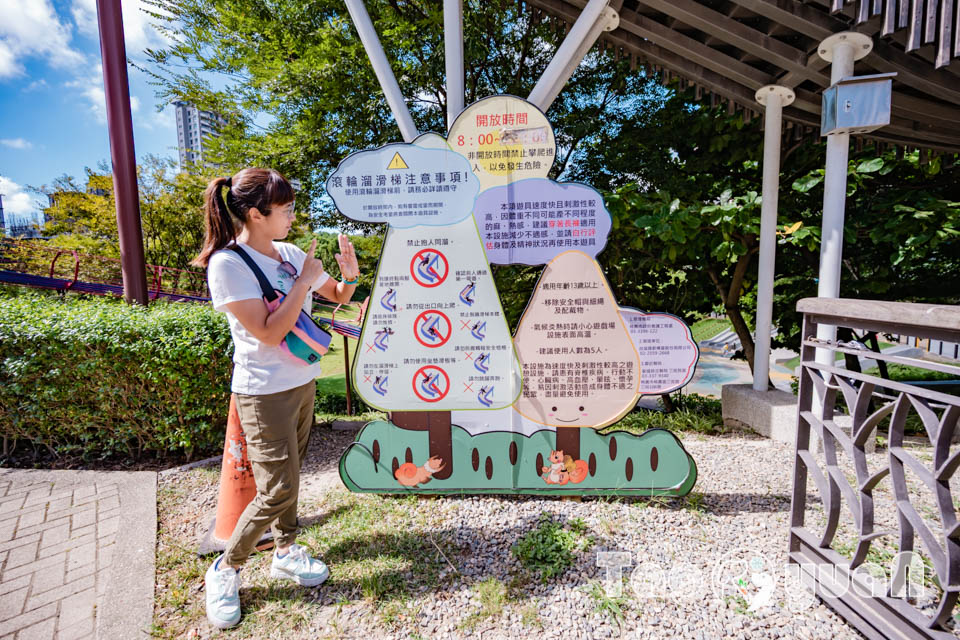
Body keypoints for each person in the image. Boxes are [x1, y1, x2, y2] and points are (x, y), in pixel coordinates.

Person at [191, 168, 359, 629]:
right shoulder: (228, 265)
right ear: (254, 214)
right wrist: (303, 282)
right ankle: (226, 569)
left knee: (292, 471)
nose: (291, 217)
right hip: (263, 392)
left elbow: (337, 296)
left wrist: (350, 278)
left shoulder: (287, 254)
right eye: (284, 210)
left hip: (301, 381)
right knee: (278, 487)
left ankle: (286, 549)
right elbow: (267, 333)